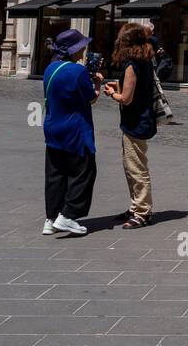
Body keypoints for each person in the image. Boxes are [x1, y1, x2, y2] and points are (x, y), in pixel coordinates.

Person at [41, 29, 102, 236]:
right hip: (75, 129)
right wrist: (98, 82)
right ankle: (68, 215)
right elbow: (91, 97)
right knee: (83, 172)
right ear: (74, 50)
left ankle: (51, 218)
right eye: (81, 47)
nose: (84, 50)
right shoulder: (77, 72)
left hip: (53, 126)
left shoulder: (50, 68)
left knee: (55, 174)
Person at [104, 23, 157, 229]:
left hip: (135, 122)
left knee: (136, 168)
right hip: (141, 119)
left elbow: (126, 99)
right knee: (131, 166)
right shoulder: (144, 61)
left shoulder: (132, 65)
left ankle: (143, 212)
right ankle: (135, 206)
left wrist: (112, 94)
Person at [142, 21, 174, 124]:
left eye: (152, 31)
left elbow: (159, 52)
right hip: (144, 66)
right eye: (150, 31)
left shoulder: (152, 40)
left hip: (151, 66)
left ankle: (155, 111)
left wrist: (159, 52)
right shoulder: (141, 40)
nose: (152, 33)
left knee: (153, 89)